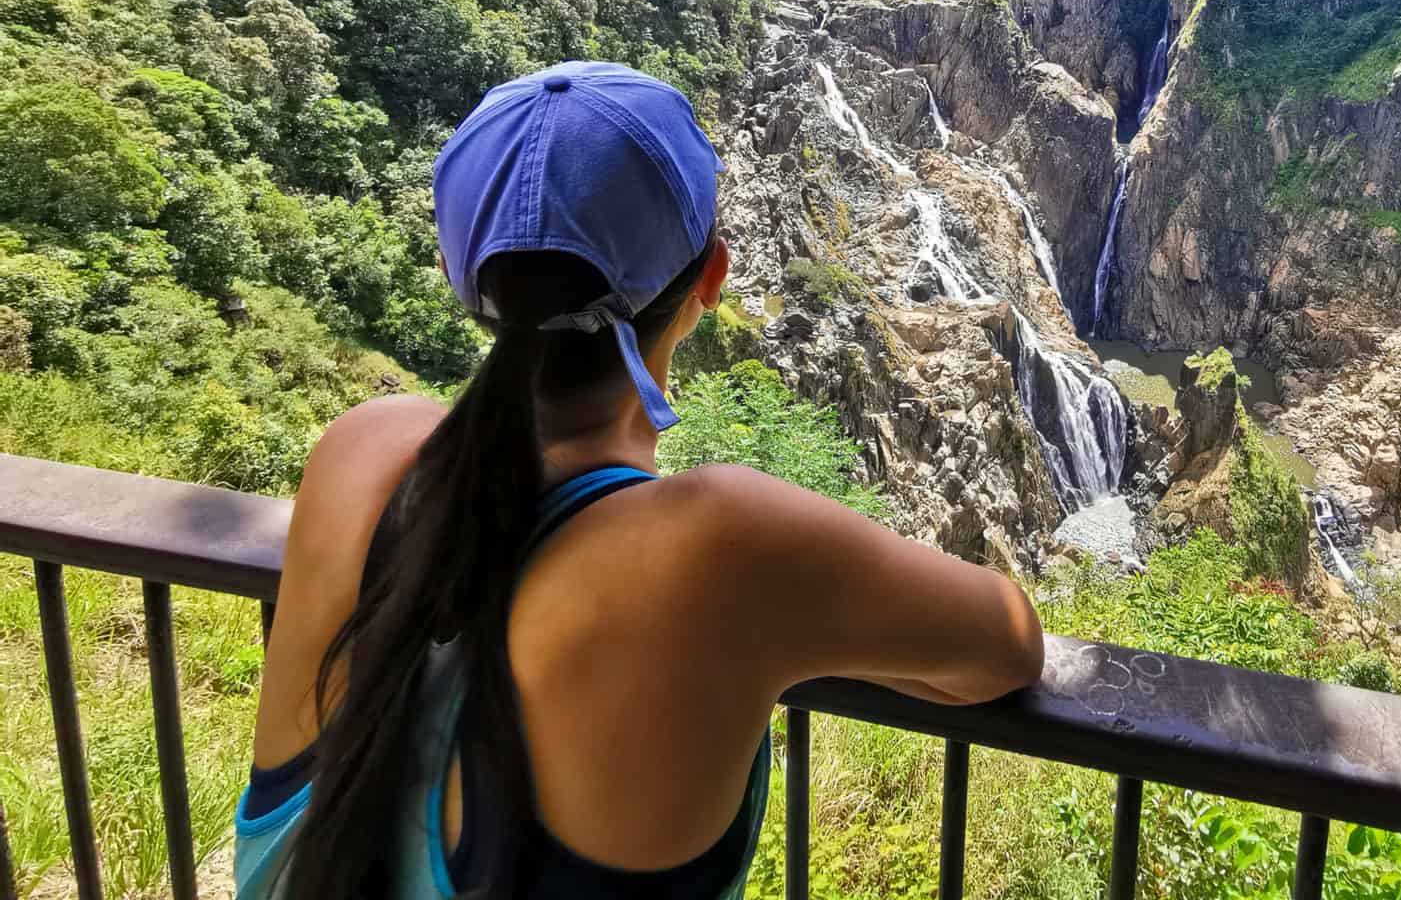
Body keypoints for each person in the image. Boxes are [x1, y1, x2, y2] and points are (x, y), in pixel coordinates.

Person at [235, 61, 1046, 900]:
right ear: (711, 278)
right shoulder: (716, 548)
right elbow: (1008, 644)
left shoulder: (360, 452)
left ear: (463, 280)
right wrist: (784, 638)